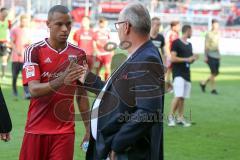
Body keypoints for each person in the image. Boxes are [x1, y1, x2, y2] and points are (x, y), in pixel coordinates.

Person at [79, 2, 164, 160]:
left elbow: (148, 111)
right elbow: (118, 95)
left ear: (126, 27)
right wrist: (87, 78)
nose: (117, 30)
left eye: (118, 25)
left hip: (128, 153)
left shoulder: (146, 58)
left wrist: (118, 144)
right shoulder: (139, 54)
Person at [19, 5, 90, 160]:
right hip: (36, 129)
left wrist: (88, 129)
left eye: (68, 24)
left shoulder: (78, 54)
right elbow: (34, 90)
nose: (65, 29)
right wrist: (62, 79)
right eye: (59, 24)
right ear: (48, 24)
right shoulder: (34, 51)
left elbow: (81, 95)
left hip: (64, 132)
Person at [168, 25, 198, 127]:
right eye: (191, 31)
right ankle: (171, 117)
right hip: (178, 73)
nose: (192, 33)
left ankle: (180, 118)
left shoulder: (189, 45)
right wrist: (187, 59)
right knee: (178, 95)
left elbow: (189, 60)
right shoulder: (176, 42)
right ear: (188, 31)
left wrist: (193, 58)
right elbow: (172, 58)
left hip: (187, 73)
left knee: (182, 98)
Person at [10, 14, 31, 100]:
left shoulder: (28, 31)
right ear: (20, 21)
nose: (24, 23)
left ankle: (26, 93)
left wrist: (29, 43)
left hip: (24, 58)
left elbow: (29, 43)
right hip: (15, 58)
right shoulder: (15, 30)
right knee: (14, 76)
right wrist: (17, 51)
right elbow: (12, 42)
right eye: (23, 21)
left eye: (26, 21)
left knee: (25, 77)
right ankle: (14, 92)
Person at [200, 19, 220, 95]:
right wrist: (205, 56)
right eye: (215, 24)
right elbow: (206, 46)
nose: (217, 26)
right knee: (213, 72)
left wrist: (219, 54)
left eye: (217, 24)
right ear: (212, 25)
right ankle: (213, 89)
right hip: (210, 55)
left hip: (216, 55)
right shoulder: (209, 34)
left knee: (216, 73)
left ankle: (203, 83)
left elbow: (217, 44)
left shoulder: (218, 33)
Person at [165, 21, 180, 92]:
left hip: (176, 56)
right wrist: (168, 55)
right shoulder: (169, 33)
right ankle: (168, 87)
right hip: (170, 55)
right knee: (168, 72)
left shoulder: (177, 34)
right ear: (173, 26)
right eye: (178, 26)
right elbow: (167, 45)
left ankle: (172, 86)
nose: (179, 27)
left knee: (174, 71)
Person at [0, 8, 11, 80]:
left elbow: (9, 32)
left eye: (6, 13)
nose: (5, 14)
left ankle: (3, 75)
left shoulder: (8, 22)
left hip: (4, 42)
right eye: (4, 12)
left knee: (5, 58)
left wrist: (9, 41)